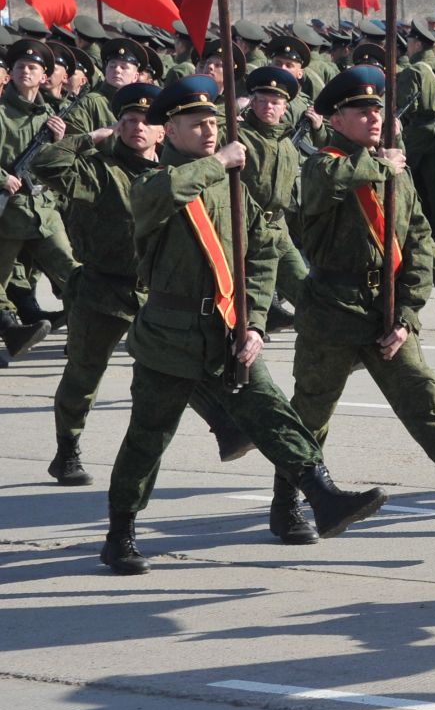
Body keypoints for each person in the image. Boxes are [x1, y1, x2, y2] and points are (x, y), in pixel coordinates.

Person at [99, 75, 388, 574]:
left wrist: (254, 322)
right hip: (169, 334)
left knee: (273, 412)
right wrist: (220, 163)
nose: (210, 131)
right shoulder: (154, 182)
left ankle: (322, 495)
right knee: (149, 436)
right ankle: (121, 531)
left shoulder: (231, 186)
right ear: (169, 131)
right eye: (197, 124)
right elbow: (159, 196)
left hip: (229, 330)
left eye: (214, 122)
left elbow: (263, 250)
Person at [278, 65, 435, 542]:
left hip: (386, 303)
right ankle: (287, 502)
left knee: (421, 394)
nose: (373, 117)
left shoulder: (395, 169)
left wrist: (409, 312)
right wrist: (383, 163)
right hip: (333, 306)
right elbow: (326, 182)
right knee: (312, 410)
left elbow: (418, 240)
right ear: (335, 119)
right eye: (360, 110)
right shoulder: (323, 164)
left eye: (377, 109)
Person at [39, 82, 252, 485]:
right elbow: (46, 166)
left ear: (163, 131)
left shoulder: (177, 172)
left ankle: (223, 425)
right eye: (127, 121)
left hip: (154, 291)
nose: (135, 127)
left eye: (144, 122)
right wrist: (88, 139)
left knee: (176, 364)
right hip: (103, 289)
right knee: (85, 372)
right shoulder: (98, 169)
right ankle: (67, 447)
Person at [0, 37, 77, 360]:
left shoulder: (52, 116)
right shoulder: (2, 113)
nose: (25, 72)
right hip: (8, 214)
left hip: (44, 212)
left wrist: (60, 140)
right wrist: (3, 178)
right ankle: (10, 332)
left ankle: (85, 332)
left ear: (44, 76)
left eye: (33, 68)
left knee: (73, 273)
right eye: (20, 67)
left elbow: (64, 161)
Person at [234, 64, 309, 332]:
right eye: (261, 100)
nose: (268, 106)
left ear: (286, 106)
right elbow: (206, 129)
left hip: (278, 228)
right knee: (245, 299)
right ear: (251, 102)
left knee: (306, 291)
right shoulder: (238, 135)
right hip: (244, 229)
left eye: (275, 101)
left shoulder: (287, 144)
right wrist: (232, 109)